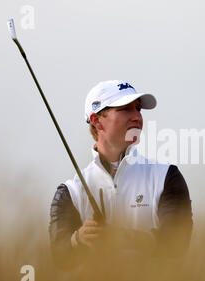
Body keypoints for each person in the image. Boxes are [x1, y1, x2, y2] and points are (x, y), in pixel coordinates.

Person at [48, 80, 193, 270]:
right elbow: (59, 258)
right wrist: (79, 239)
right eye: (125, 109)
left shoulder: (166, 176)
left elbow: (177, 244)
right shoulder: (70, 191)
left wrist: (122, 237)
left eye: (138, 109)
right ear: (97, 121)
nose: (137, 117)